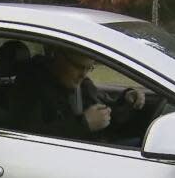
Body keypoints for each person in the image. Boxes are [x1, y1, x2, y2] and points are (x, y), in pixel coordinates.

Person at [10, 48, 145, 143]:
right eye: (78, 66)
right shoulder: (30, 87)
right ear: (58, 57)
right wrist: (83, 124)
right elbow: (28, 138)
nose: (83, 74)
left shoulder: (82, 85)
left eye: (88, 68)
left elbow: (106, 112)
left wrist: (127, 100)